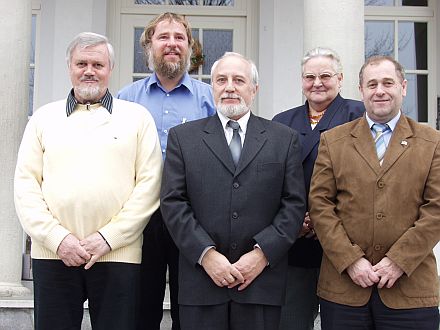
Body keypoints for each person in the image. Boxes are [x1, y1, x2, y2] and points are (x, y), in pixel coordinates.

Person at [14, 32, 162, 330]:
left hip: (118, 255)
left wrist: (108, 239)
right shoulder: (43, 118)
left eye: (98, 63)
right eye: (82, 63)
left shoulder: (137, 118)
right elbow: (26, 186)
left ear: (110, 69)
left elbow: (149, 186)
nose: (89, 70)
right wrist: (59, 240)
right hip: (55, 253)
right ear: (70, 66)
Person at [160, 52, 306, 330]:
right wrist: (206, 255)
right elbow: (173, 202)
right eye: (221, 80)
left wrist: (261, 255)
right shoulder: (184, 138)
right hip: (201, 282)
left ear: (254, 89)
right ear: (212, 87)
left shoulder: (283, 139)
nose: (229, 87)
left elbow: (294, 204)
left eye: (238, 80)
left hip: (260, 283)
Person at [309, 55, 440, 330]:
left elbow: (436, 209)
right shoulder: (333, 141)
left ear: (403, 87)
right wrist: (351, 260)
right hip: (345, 290)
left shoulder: (432, 142)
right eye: (372, 84)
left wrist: (399, 261)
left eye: (387, 83)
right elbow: (320, 205)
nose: (379, 90)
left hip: (410, 290)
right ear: (361, 90)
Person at [117, 12, 215, 330]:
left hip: (193, 216)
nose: (172, 44)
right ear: (149, 46)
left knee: (189, 307)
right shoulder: (126, 100)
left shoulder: (209, 99)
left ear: (189, 47)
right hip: (142, 217)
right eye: (163, 37)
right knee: (140, 307)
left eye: (179, 38)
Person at [272, 47, 364, 330]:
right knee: (292, 321)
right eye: (309, 77)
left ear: (340, 78)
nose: (317, 83)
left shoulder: (358, 115)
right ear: (301, 81)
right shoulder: (282, 121)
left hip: (344, 241)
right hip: (296, 239)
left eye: (325, 76)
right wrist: (294, 219)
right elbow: (271, 179)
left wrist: (321, 218)